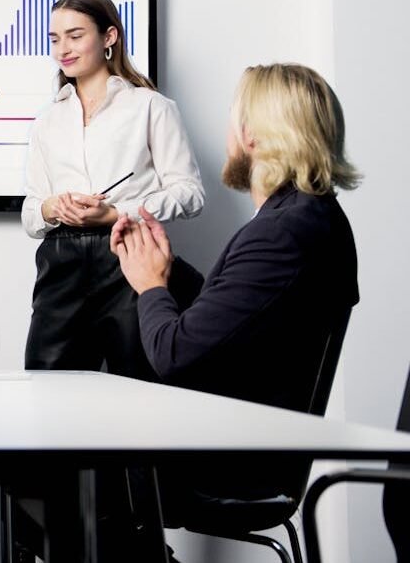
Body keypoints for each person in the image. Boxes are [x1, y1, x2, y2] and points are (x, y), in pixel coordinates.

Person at [111, 62, 359, 517]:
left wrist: (149, 287)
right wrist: (167, 270)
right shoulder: (309, 219)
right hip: (250, 444)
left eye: (232, 117)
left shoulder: (282, 233)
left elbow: (173, 354)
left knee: (55, 464)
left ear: (253, 134)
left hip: (228, 463)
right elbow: (235, 318)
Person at [22, 0, 205, 380]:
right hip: (61, 263)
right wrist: (53, 208)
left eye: (75, 36)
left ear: (109, 37)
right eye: (55, 39)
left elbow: (190, 194)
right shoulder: (46, 121)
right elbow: (31, 212)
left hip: (129, 256)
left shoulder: (151, 107)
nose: (62, 49)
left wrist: (116, 213)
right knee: (44, 388)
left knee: (141, 387)